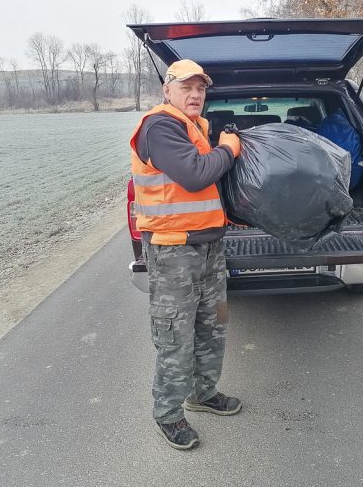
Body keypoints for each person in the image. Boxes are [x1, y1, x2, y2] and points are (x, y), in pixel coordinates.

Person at [128, 59, 242, 450]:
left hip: (209, 247)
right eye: (186, 87)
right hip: (174, 252)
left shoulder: (195, 127)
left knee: (213, 325)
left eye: (201, 89)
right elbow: (195, 175)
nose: (195, 95)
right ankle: (169, 414)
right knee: (176, 335)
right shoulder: (159, 126)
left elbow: (206, 190)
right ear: (167, 90)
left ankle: (203, 393)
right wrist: (229, 149)